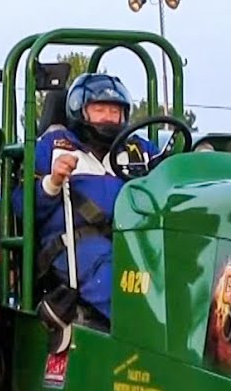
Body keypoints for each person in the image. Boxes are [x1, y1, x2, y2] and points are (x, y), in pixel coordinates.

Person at [12, 72, 158, 341]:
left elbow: (171, 171)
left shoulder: (140, 150)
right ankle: (149, 342)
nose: (108, 117)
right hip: (76, 242)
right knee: (123, 282)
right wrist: (53, 181)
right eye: (99, 109)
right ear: (80, 111)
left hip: (137, 239)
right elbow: (22, 206)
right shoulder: (52, 147)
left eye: (114, 111)